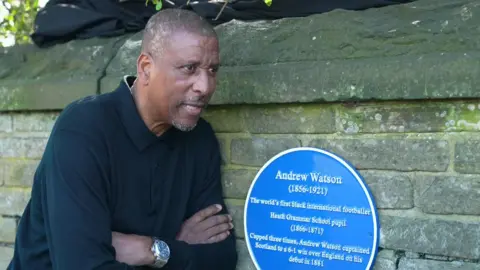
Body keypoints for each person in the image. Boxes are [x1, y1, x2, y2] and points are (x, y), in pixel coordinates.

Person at [8, 8, 238, 270]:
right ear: (146, 68)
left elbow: (221, 259)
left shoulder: (200, 139)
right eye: (190, 68)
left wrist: (154, 250)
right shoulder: (83, 130)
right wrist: (181, 250)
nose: (205, 86)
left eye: (212, 69)